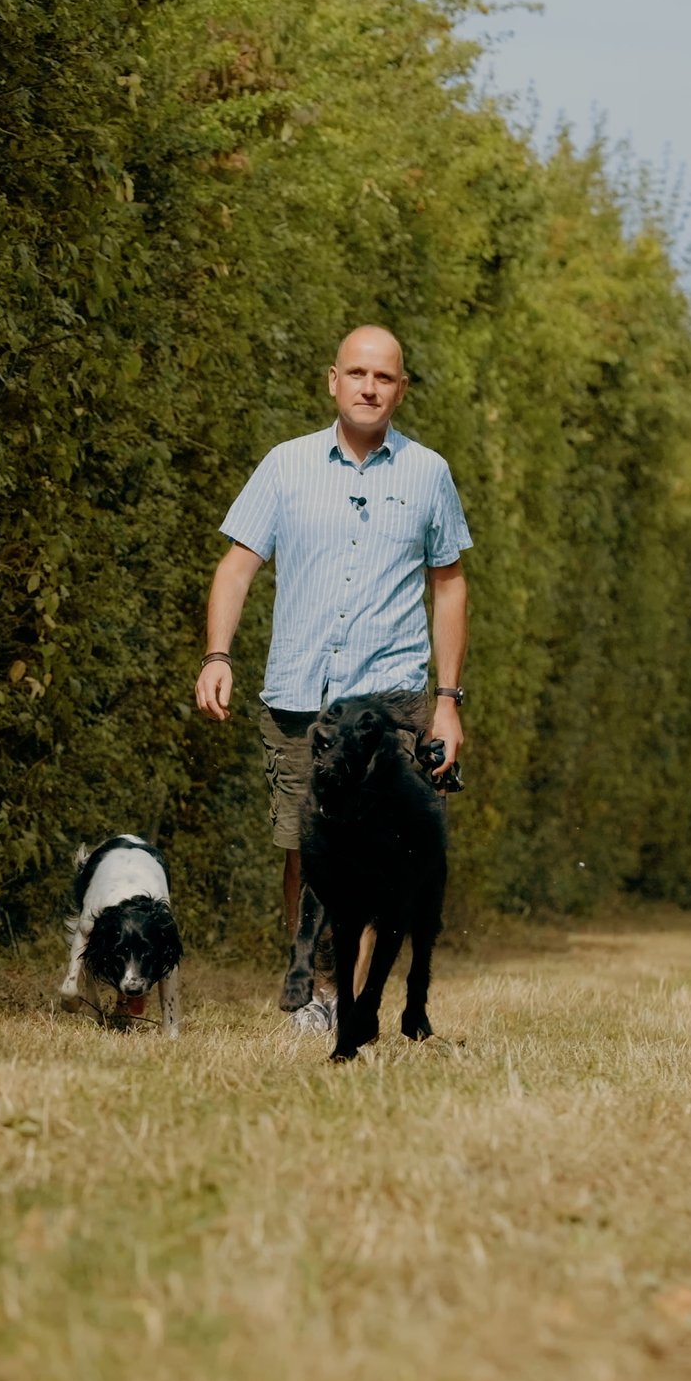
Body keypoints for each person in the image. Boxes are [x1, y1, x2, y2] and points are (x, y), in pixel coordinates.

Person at [193, 325, 471, 1030]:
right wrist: (218, 655)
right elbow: (236, 566)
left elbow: (449, 585)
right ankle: (311, 988)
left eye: (384, 377)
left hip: (393, 700)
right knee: (306, 849)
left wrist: (448, 703)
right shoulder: (285, 467)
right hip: (300, 695)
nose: (370, 388)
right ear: (333, 381)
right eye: (357, 374)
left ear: (402, 389)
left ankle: (346, 994)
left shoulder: (428, 474)